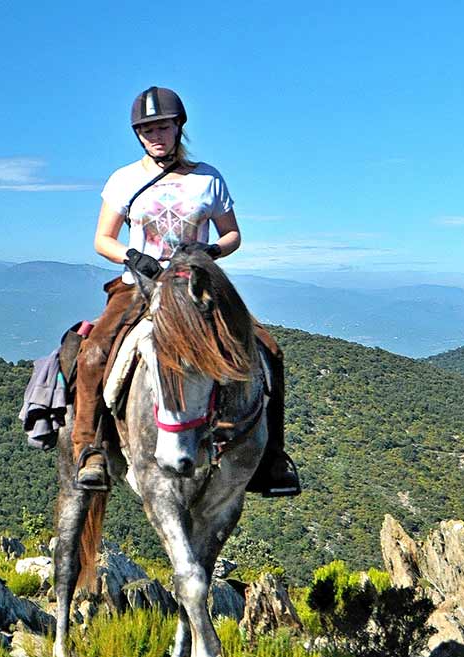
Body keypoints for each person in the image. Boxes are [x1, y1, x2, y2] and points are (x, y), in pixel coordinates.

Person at [69, 85, 301, 496]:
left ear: (179, 127)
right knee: (93, 355)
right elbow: (101, 239)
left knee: (268, 350)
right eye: (146, 130)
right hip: (139, 286)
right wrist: (131, 256)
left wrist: (211, 248)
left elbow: (233, 235)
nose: (155, 136)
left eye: (162, 127)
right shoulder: (123, 180)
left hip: (198, 287)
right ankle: (89, 450)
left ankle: (272, 459)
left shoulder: (208, 179)